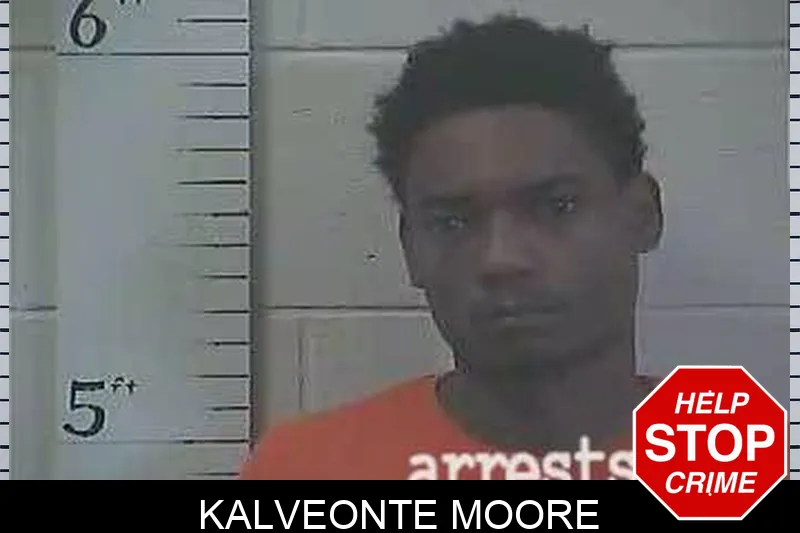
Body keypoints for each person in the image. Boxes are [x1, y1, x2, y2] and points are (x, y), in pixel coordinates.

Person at [240, 14, 664, 480]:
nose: (501, 258)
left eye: (555, 206)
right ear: (410, 248)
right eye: (453, 222)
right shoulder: (306, 470)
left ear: (642, 215)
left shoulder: (725, 456)